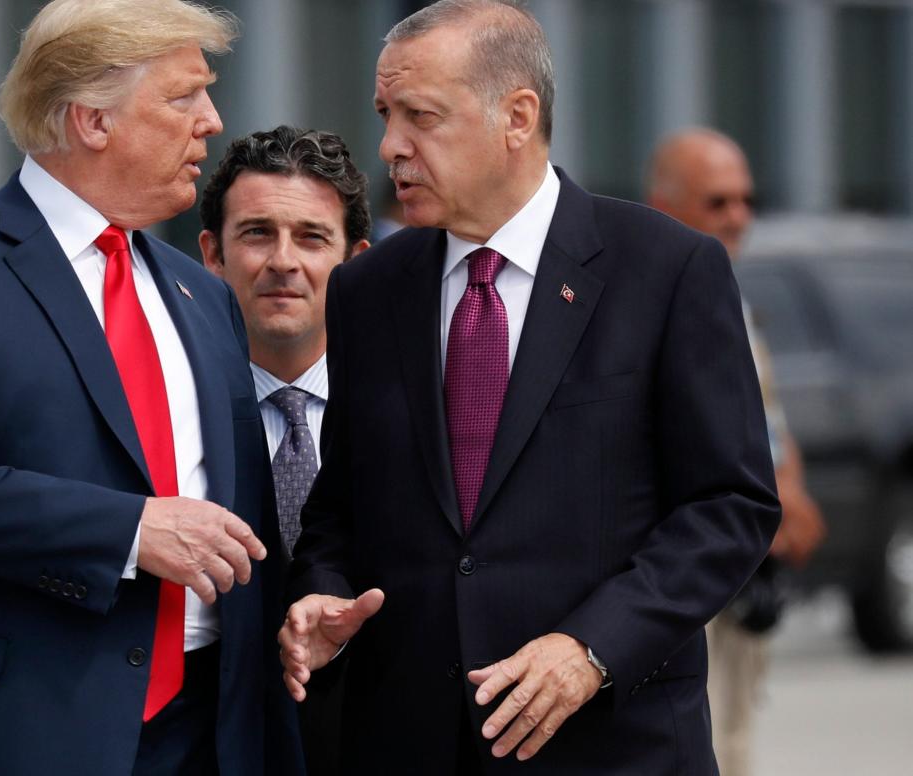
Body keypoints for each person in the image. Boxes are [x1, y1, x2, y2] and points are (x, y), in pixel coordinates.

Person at [277, 2, 781, 774]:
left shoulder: (667, 270)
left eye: (421, 116)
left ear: (517, 117)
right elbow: (339, 511)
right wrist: (320, 592)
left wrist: (592, 648)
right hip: (411, 745)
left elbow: (728, 508)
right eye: (386, 115)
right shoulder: (367, 291)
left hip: (611, 744)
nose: (390, 147)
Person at [0, 1, 298, 774]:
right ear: (92, 120)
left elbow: (238, 515)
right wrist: (127, 530)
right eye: (184, 96)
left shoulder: (202, 294)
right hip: (9, 733)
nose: (212, 121)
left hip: (205, 739)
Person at [647, 127, 827, 776]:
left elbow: (766, 416)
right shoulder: (648, 302)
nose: (737, 217)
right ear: (664, 204)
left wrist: (793, 489)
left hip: (745, 581)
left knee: (738, 743)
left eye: (745, 201)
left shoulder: (732, 296)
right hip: (691, 582)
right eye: (717, 202)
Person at [199, 125, 371, 776]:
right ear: (212, 253)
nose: (283, 261)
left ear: (355, 259)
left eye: (310, 237)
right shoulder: (167, 417)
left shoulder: (414, 411)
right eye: (256, 233)